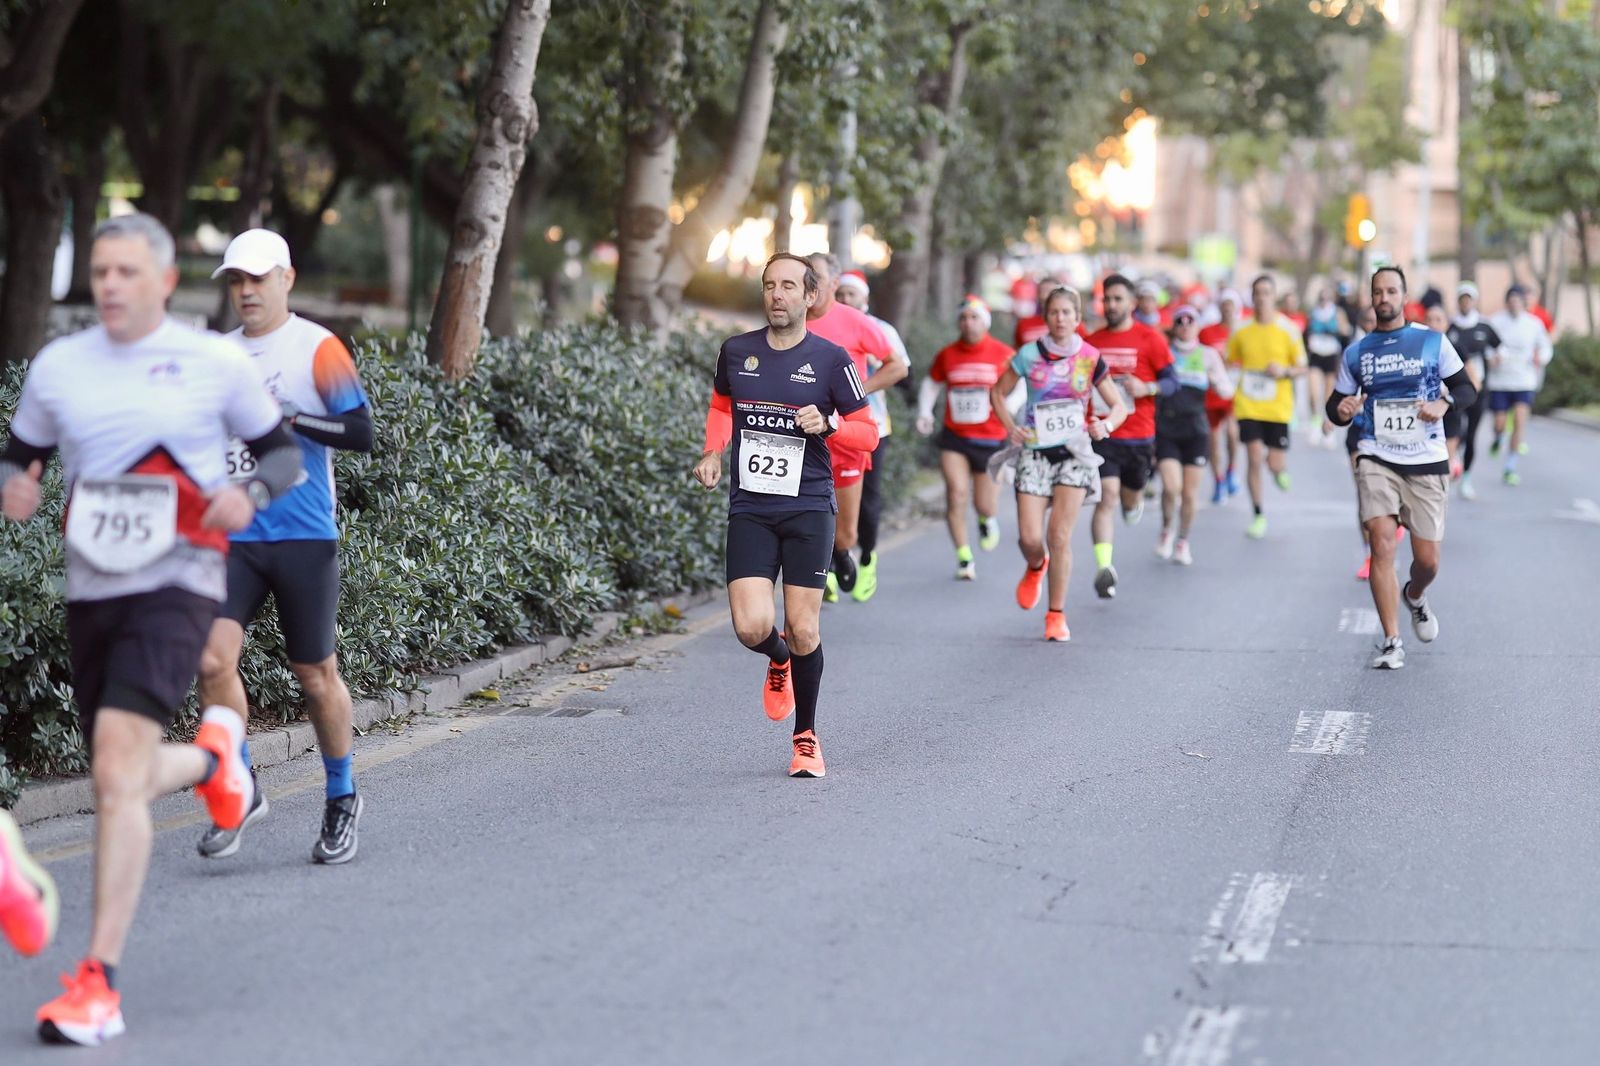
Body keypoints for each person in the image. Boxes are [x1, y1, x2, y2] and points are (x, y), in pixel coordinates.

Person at [0, 214, 303, 1044]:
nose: (110, 285)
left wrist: (255, 494)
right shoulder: (60, 367)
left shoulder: (210, 363)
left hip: (180, 582)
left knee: (114, 767)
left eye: (128, 271)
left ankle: (98, 983)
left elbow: (283, 455)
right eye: (101, 270)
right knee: (117, 781)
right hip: (93, 591)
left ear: (164, 282)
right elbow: (18, 453)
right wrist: (16, 484)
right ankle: (216, 757)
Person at [193, 229, 374, 864]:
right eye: (236, 281)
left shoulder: (317, 348)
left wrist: (290, 420)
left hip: (303, 535)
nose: (246, 291)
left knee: (315, 676)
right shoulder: (216, 355)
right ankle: (238, 785)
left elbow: (360, 432)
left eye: (258, 279)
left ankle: (341, 796)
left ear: (286, 280)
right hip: (233, 538)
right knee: (211, 662)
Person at [692, 253, 879, 777]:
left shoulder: (831, 359)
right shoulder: (737, 351)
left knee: (804, 627)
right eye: (770, 285)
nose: (777, 294)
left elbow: (870, 433)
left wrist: (831, 424)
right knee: (753, 627)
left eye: (789, 286)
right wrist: (713, 451)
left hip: (809, 508)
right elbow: (721, 406)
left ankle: (806, 738)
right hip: (752, 507)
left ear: (810, 296)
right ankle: (778, 661)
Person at [1326, 266, 1477, 670]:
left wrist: (1443, 404)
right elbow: (1335, 405)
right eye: (1378, 291)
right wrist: (1341, 411)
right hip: (1376, 454)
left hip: (1426, 459)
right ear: (1371, 298)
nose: (1384, 297)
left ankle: (1415, 595)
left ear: (1403, 295)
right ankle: (1392, 641)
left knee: (1427, 562)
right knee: (1381, 541)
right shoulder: (1357, 352)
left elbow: (1466, 389)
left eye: (1392, 290)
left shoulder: (1431, 341)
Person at [990, 286, 1127, 641]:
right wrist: (1011, 428)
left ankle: (1055, 615)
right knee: (1030, 538)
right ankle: (1037, 565)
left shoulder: (1091, 357)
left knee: (1059, 536)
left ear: (1078, 318)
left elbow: (1119, 406)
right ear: (1046, 317)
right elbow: (997, 392)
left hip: (1074, 454)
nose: (1061, 318)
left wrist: (1105, 425)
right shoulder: (1029, 354)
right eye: (1054, 312)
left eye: (1068, 312)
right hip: (1035, 451)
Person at [802, 253, 905, 601]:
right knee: (802, 518)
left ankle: (842, 553)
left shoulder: (856, 322)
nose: (808, 283)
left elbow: (897, 367)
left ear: (833, 283)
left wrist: (858, 390)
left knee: (846, 532)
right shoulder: (790, 321)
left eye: (814, 276)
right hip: (799, 438)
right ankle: (816, 574)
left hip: (846, 436)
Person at [1082, 274, 1176, 598]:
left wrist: (1146, 387)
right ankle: (1104, 567)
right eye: (1107, 299)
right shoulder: (1092, 343)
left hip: (1139, 436)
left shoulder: (1151, 339)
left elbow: (1172, 382)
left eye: (1118, 299)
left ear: (1132, 303)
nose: (1111, 305)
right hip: (1103, 433)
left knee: (1128, 496)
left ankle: (1132, 502)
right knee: (1105, 496)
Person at [918, 296, 1015, 579]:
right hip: (955, 437)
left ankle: (987, 519)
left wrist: (1012, 405)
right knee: (957, 493)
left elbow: (1021, 383)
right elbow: (932, 382)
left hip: (991, 437)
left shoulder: (1003, 353)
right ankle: (964, 557)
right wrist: (925, 412)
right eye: (963, 318)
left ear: (984, 322)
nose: (968, 323)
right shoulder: (948, 354)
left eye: (974, 318)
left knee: (984, 504)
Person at [833, 269, 910, 601]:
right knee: (829, 499)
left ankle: (867, 559)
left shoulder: (880, 330)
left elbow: (901, 368)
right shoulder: (827, 326)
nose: (847, 299)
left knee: (867, 500)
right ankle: (831, 569)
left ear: (865, 299)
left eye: (853, 294)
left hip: (873, 425)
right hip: (830, 428)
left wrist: (858, 389)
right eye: (843, 294)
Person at [1227, 275, 1306, 539]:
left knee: (1272, 463)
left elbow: (1302, 366)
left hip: (1277, 407)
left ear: (1274, 297)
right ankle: (1258, 514)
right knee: (1252, 458)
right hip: (1248, 405)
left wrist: (1284, 370)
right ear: (1252, 296)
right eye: (1257, 292)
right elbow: (1230, 360)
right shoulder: (1241, 329)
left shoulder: (1288, 329)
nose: (1261, 297)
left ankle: (1278, 469)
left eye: (1266, 293)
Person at [1155, 305, 1234, 565]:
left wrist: (1217, 381)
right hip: (1167, 427)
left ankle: (1182, 540)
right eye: (1181, 321)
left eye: (1191, 321)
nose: (1186, 324)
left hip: (1196, 430)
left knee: (1189, 495)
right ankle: (1167, 529)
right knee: (1171, 488)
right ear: (1174, 325)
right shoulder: (1165, 352)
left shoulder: (1208, 355)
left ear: (1198, 325)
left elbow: (1225, 389)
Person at [1486, 285, 1553, 486]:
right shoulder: (1496, 321)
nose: (1514, 304)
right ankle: (1498, 438)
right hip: (1500, 380)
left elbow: (1545, 347)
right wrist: (1492, 358)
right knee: (1499, 423)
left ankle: (1510, 467)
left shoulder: (1534, 323)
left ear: (1523, 302)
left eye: (1518, 300)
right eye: (1511, 300)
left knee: (1519, 422)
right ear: (1507, 302)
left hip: (1524, 380)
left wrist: (1540, 358)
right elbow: (1486, 346)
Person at [1447, 281, 1499, 500]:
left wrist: (1496, 359)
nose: (1465, 302)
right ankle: (1454, 461)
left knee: (1472, 434)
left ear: (1474, 301)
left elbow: (1499, 347)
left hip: (1479, 389)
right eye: (1462, 298)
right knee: (1456, 431)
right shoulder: (1451, 328)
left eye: (1469, 298)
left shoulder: (1484, 327)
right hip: (1457, 390)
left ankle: (1466, 477)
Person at [1199, 288, 1243, 502]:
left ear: (1236, 308)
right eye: (1224, 305)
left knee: (1233, 435)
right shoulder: (1207, 332)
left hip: (1236, 392)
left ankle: (1232, 470)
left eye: (1231, 305)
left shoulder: (1243, 332)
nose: (1227, 309)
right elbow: (1198, 358)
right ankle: (1218, 481)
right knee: (1214, 440)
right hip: (1213, 393)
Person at [1423, 302, 1467, 479]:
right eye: (1429, 319)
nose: (1433, 323)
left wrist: (1454, 396)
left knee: (1444, 467)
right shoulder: (1418, 349)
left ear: (1446, 324)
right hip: (1424, 412)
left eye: (1438, 319)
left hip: (1449, 410)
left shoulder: (1456, 348)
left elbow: (1471, 381)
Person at [1304, 287, 1351, 447]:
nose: (1324, 301)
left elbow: (1346, 331)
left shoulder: (1337, 313)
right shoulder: (1314, 313)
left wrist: (1336, 329)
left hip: (1331, 355)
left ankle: (1328, 428)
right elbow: (1306, 332)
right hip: (1316, 355)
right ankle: (1315, 422)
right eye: (1321, 298)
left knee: (1328, 396)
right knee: (1313, 393)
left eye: (1327, 298)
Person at [1012, 275, 1058, 349]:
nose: (1046, 296)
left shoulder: (1073, 324)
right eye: (1042, 291)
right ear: (1037, 295)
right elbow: (1016, 352)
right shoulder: (1023, 324)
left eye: (1051, 292)